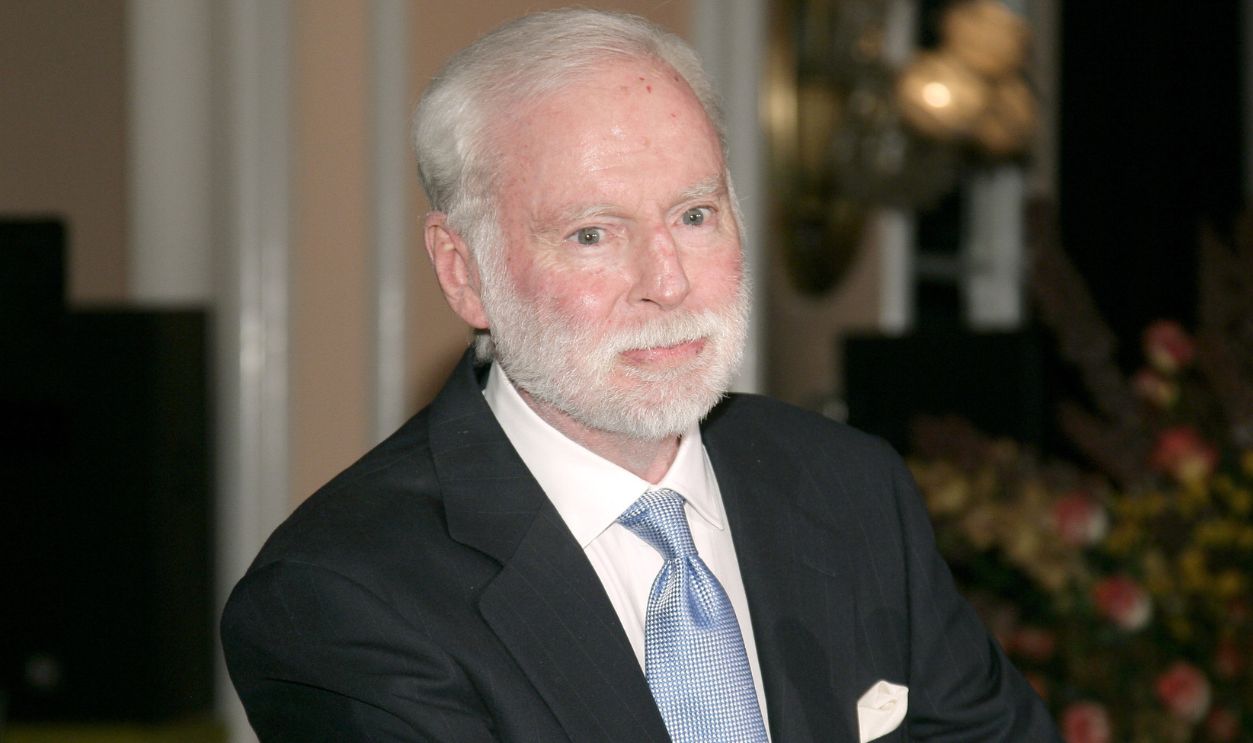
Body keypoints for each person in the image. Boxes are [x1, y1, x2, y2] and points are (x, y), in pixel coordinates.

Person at [221, 8, 1060, 742]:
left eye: (694, 215)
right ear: (463, 270)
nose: (668, 280)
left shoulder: (848, 484)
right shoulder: (343, 597)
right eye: (592, 233)